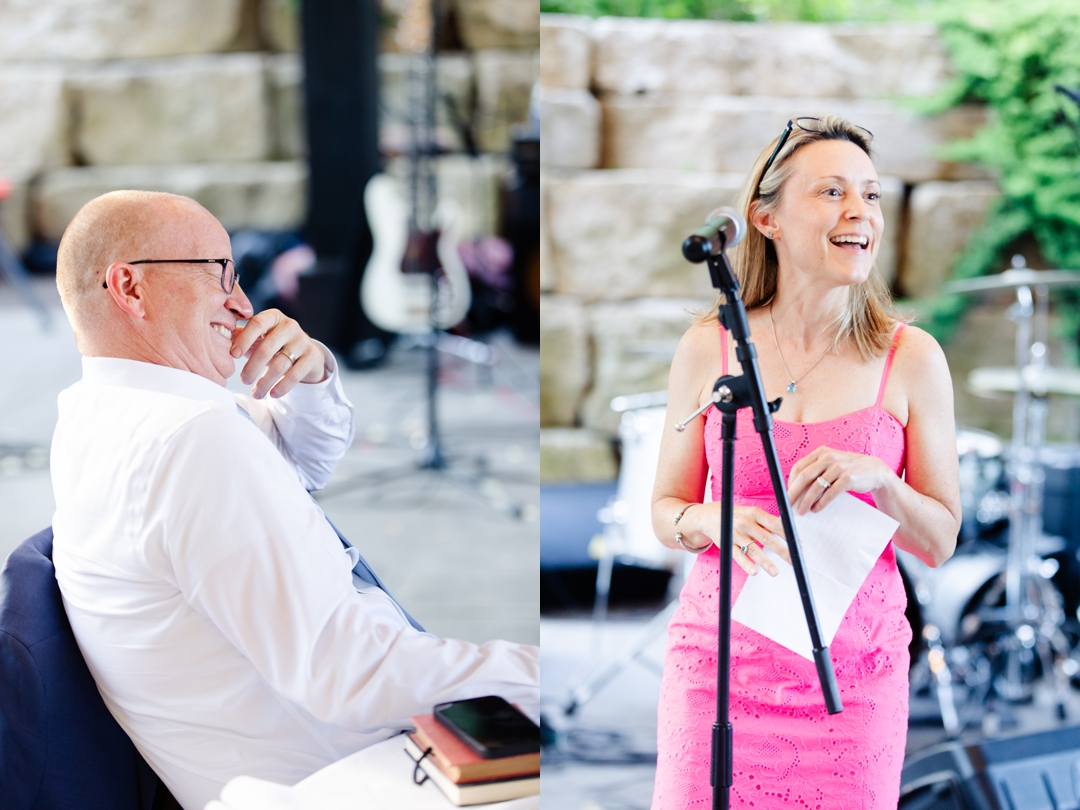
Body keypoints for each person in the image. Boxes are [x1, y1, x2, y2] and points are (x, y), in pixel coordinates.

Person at [50, 190, 538, 810]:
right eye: (217, 272)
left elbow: (303, 461)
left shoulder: (104, 412)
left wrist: (310, 378)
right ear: (130, 288)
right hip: (353, 776)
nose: (243, 302)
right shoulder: (192, 439)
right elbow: (350, 674)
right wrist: (538, 674)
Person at [650, 116, 960, 807]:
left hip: (853, 682)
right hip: (718, 674)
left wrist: (881, 483)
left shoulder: (913, 358)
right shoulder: (708, 347)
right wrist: (712, 519)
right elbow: (665, 511)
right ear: (767, 220)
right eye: (832, 192)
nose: (860, 212)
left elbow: (939, 541)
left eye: (871, 195)